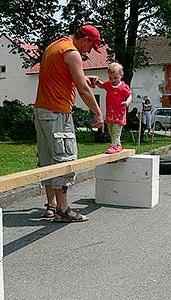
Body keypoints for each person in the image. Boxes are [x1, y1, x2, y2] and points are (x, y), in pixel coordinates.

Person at [34, 24, 104, 223]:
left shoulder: (54, 47)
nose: (89, 51)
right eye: (90, 47)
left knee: (47, 160)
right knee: (64, 159)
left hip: (41, 111)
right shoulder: (72, 53)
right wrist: (98, 113)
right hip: (58, 113)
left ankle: (52, 205)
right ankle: (63, 210)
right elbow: (83, 89)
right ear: (85, 39)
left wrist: (82, 76)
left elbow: (58, 77)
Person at [95, 62, 132, 154]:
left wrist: (126, 102)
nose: (113, 80)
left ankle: (113, 145)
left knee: (116, 130)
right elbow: (101, 85)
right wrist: (97, 82)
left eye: (116, 78)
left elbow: (129, 96)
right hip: (110, 114)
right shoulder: (108, 85)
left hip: (119, 115)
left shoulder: (123, 87)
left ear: (121, 75)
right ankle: (118, 145)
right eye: (111, 78)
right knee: (111, 131)